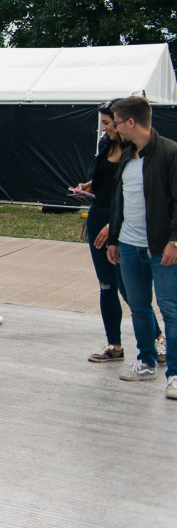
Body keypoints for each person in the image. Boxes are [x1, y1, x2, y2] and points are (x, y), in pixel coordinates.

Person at [79, 101, 163, 363]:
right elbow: (109, 181)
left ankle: (158, 340)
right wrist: (90, 186)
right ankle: (114, 345)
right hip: (98, 216)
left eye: (108, 123)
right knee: (106, 285)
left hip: (121, 222)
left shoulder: (136, 150)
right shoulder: (106, 144)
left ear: (122, 121)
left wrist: (113, 226)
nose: (105, 128)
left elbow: (135, 194)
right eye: (104, 123)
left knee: (130, 291)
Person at [105, 96, 177, 398]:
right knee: (138, 308)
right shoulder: (126, 155)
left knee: (170, 310)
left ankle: (174, 374)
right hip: (129, 245)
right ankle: (146, 362)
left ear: (131, 122)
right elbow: (120, 200)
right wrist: (114, 238)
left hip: (161, 247)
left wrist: (174, 241)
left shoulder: (170, 153)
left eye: (116, 123)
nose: (114, 128)